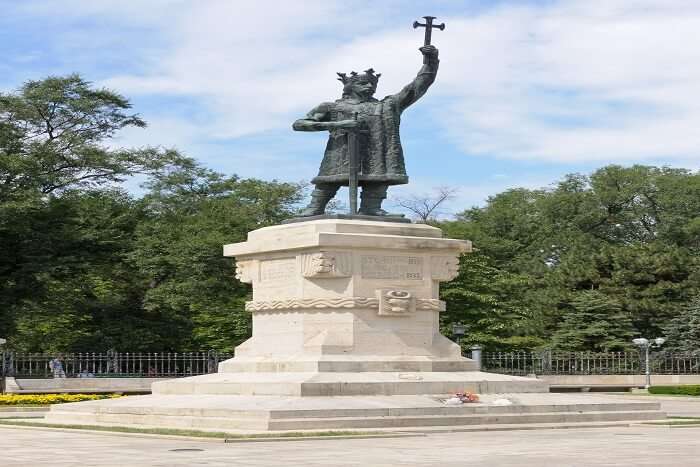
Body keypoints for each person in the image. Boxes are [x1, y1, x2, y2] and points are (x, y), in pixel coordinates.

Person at [293, 45, 440, 216]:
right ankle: (316, 206)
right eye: (363, 83)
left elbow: (417, 87)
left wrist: (430, 61)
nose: (369, 86)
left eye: (372, 83)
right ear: (350, 86)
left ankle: (371, 207)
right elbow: (299, 124)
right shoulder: (333, 107)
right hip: (342, 154)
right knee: (330, 178)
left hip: (377, 154)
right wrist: (337, 125)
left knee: (378, 175)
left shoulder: (387, 105)